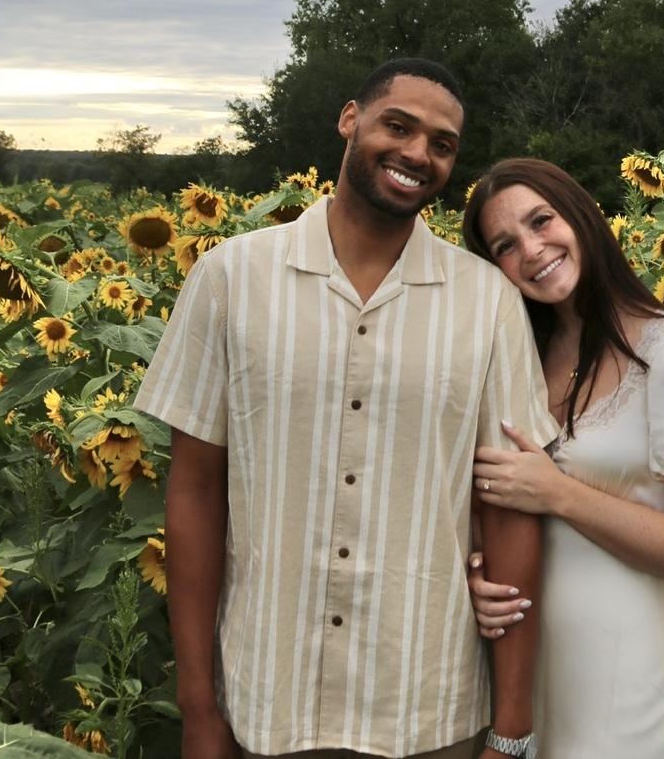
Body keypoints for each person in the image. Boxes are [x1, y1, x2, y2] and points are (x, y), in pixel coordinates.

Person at [135, 59, 558, 759]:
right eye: (399, 125)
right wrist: (198, 708)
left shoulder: (487, 302)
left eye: (442, 144)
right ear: (349, 118)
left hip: (428, 708)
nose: (418, 153)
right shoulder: (229, 279)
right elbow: (195, 491)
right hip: (267, 700)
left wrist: (512, 728)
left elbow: (509, 508)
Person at [460, 160, 664, 759]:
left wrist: (559, 492)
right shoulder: (520, 357)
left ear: (580, 214)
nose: (531, 249)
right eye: (505, 244)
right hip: (516, 662)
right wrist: (478, 567)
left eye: (541, 220)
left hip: (620, 663)